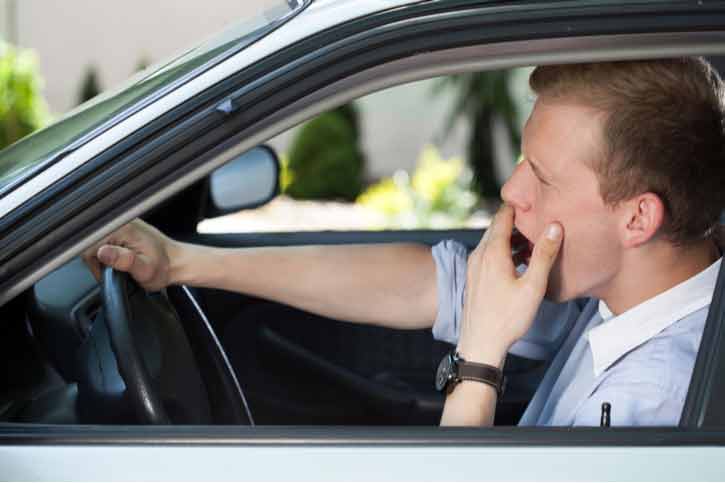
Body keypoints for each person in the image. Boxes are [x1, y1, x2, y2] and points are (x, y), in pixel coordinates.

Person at [84, 58, 725, 427]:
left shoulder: (657, 404)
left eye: (543, 177)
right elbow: (423, 283)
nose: (511, 190)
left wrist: (480, 357)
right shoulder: (618, 288)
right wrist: (183, 263)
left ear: (638, 219)